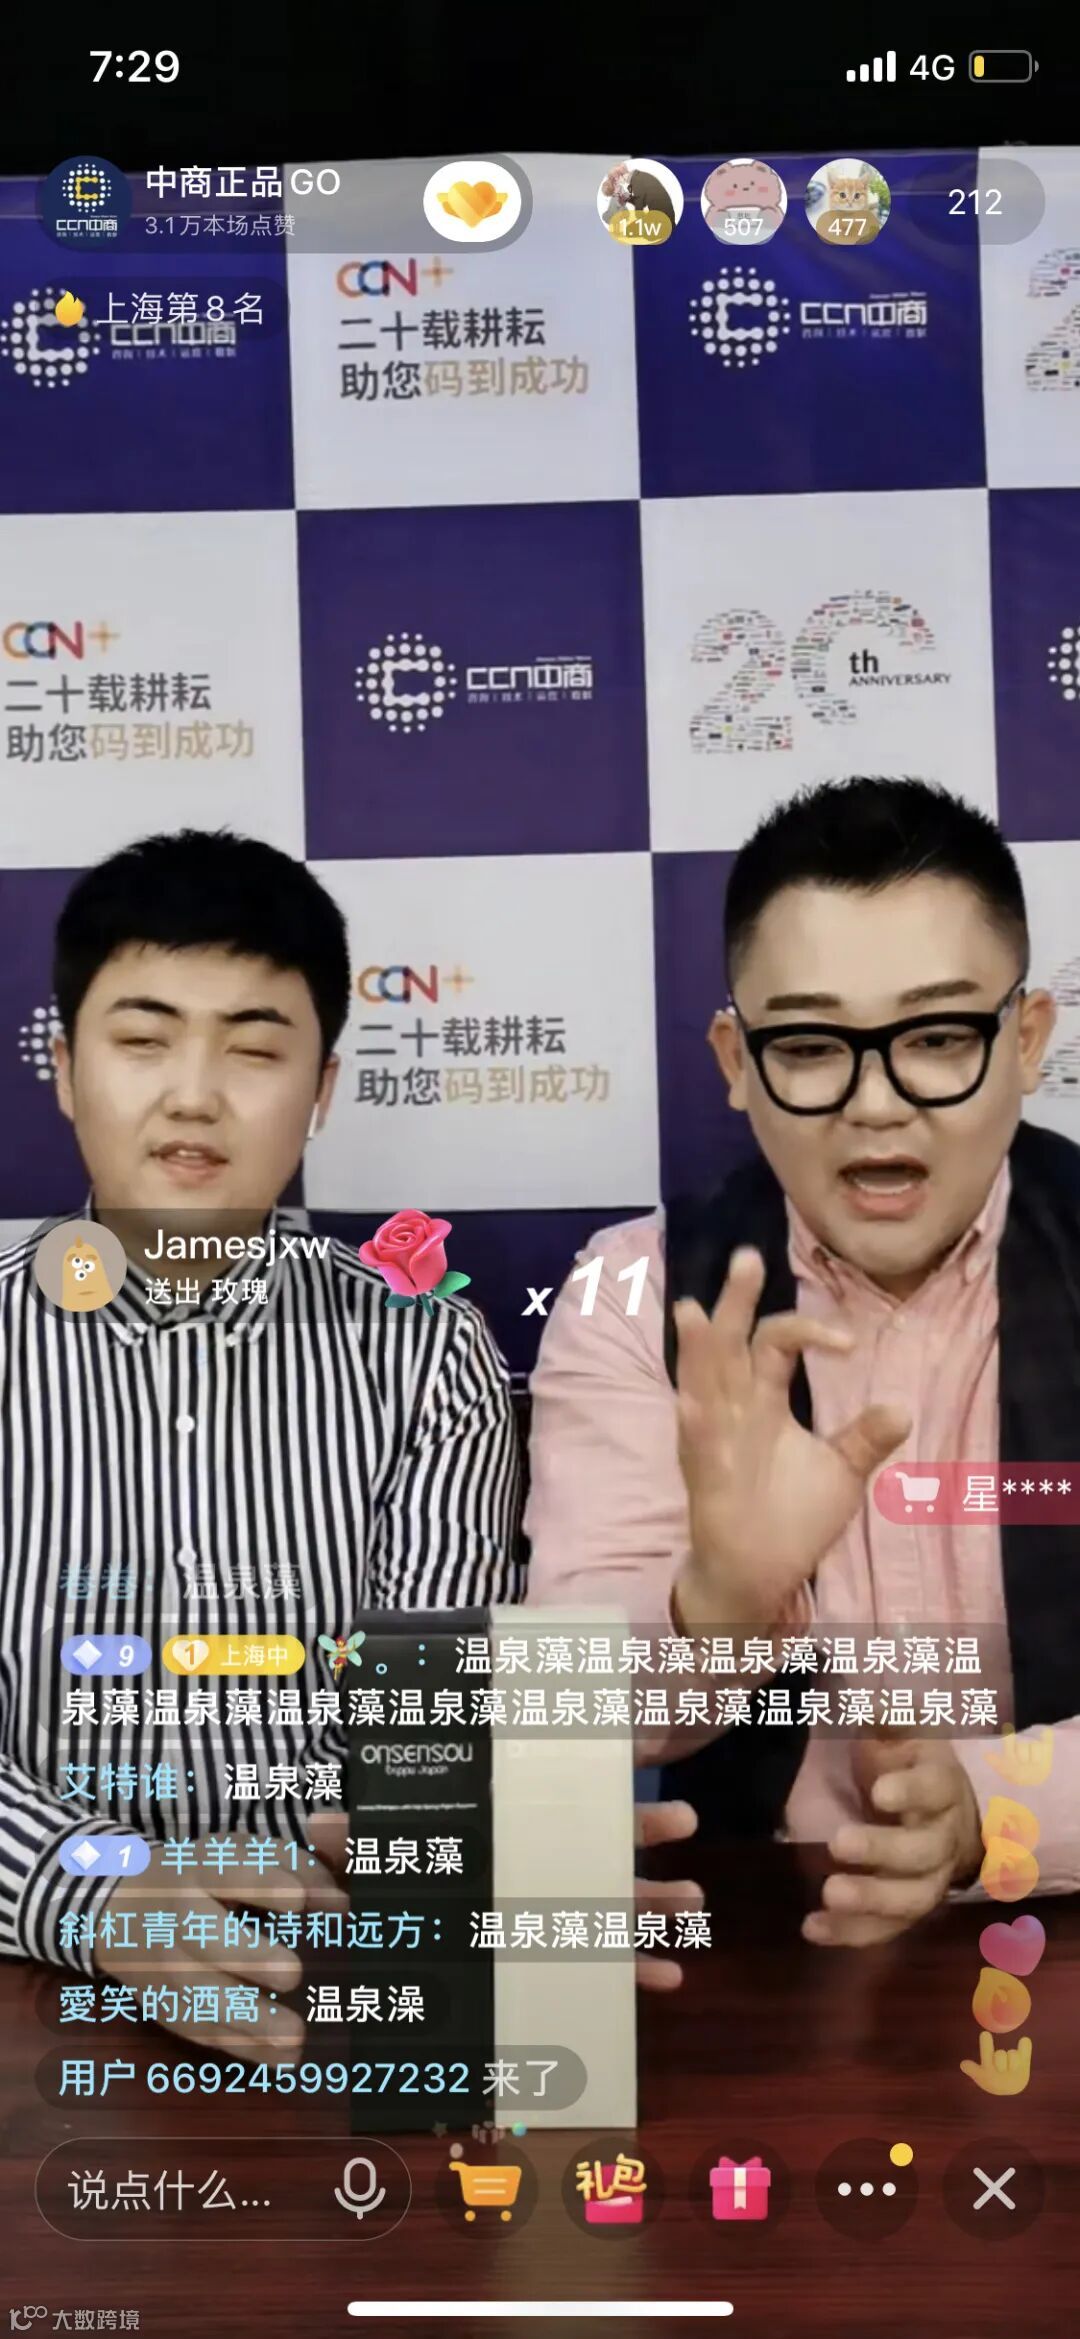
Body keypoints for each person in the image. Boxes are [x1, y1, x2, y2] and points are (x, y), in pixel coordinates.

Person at [525, 775, 1080, 1949]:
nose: (876, 1103)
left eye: (937, 1037)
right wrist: (717, 1602)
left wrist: (996, 1810)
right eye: (813, 1045)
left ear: (1026, 1039)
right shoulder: (639, 1292)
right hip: (764, 1948)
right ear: (737, 1059)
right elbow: (563, 1710)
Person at [0, 828, 523, 2050]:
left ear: (323, 1087)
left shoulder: (425, 1353)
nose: (194, 1094)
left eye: (252, 1047)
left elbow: (423, 1740)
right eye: (142, 1040)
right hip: (33, 1991)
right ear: (66, 1069)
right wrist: (99, 1888)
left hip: (331, 1973)